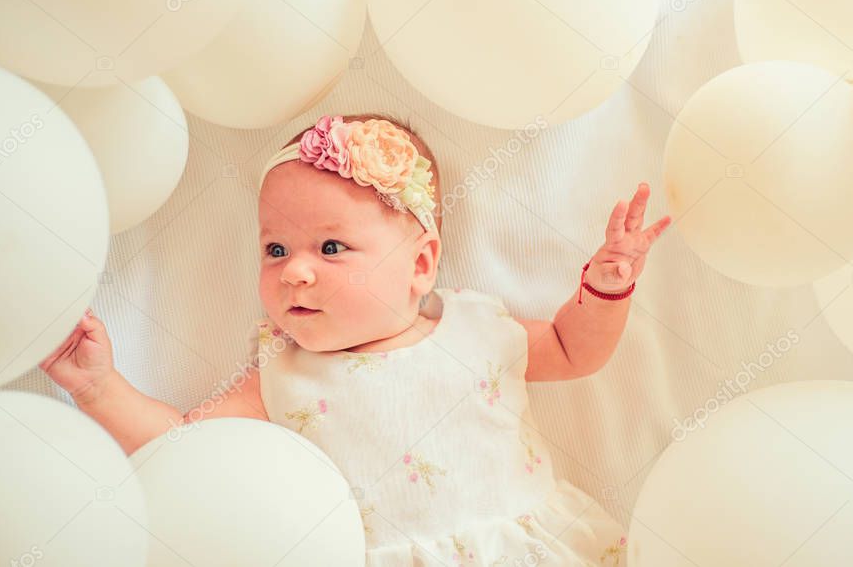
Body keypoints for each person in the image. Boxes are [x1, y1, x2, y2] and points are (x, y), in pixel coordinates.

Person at [41, 112, 671, 566]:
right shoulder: (282, 375)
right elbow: (185, 448)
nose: (294, 270)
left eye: (331, 247)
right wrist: (100, 387)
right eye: (275, 248)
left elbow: (573, 349)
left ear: (421, 264)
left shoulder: (478, 328)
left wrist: (605, 288)